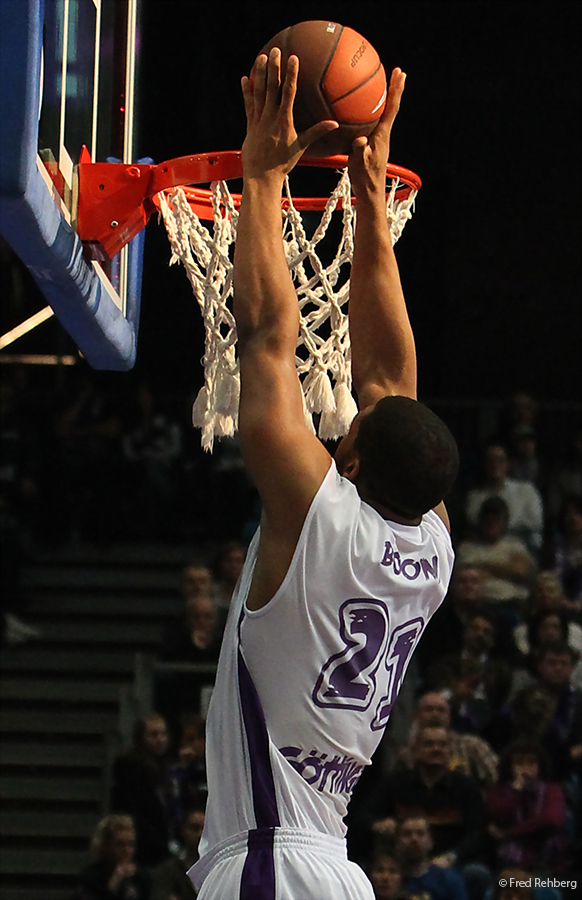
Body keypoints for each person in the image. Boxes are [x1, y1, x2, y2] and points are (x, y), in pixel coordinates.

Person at [187, 56, 459, 900]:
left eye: (352, 427)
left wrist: (263, 176)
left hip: (277, 863)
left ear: (348, 460)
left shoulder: (325, 516)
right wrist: (368, 200)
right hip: (321, 863)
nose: (351, 412)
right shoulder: (431, 546)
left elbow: (273, 337)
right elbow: (386, 387)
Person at [372, 725, 487, 870]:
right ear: (415, 749)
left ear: (450, 751)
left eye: (442, 744)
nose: (436, 749)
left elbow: (477, 833)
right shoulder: (396, 783)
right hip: (401, 863)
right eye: (429, 744)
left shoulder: (466, 787)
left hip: (452, 863)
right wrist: (379, 824)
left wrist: (452, 857)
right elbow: (364, 817)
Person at [486, 740, 568, 875]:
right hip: (508, 864)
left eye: (531, 762)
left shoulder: (552, 790)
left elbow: (551, 819)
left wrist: (510, 832)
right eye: (519, 763)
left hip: (548, 863)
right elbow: (499, 815)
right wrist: (515, 791)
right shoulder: (498, 791)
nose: (525, 768)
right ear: (509, 766)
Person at [456, 497, 536, 625]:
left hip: (510, 606)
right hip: (477, 608)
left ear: (505, 521)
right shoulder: (467, 548)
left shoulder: (516, 546)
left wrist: (483, 566)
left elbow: (521, 571)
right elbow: (462, 578)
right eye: (488, 518)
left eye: (497, 519)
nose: (492, 523)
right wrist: (506, 568)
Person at [393, 691, 499, 786]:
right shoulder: (407, 753)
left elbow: (496, 777)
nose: (435, 715)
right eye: (429, 709)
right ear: (416, 716)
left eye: (441, 710)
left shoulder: (472, 746)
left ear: (449, 717)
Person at [110, 713, 173, 867]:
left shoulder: (165, 767)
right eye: (153, 734)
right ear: (140, 738)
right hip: (143, 847)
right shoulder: (129, 767)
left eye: (163, 734)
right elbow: (135, 810)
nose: (160, 739)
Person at [465, 442, 544, 553]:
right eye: (490, 460)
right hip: (484, 549)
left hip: (520, 548)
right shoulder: (474, 497)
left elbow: (536, 522)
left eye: (499, 460)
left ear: (508, 463)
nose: (495, 465)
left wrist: (500, 525)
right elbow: (474, 522)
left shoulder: (526, 490)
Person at [73, 814, 152, 900]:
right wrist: (114, 886)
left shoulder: (141, 876)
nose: (126, 850)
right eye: (120, 844)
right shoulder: (91, 877)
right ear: (106, 846)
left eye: (130, 845)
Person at [394, 815, 468, 900]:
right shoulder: (387, 879)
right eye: (407, 834)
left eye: (420, 833)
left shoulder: (449, 880)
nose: (414, 839)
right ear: (397, 841)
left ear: (431, 841)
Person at [151, 808, 205, 900]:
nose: (200, 834)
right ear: (183, 831)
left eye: (204, 830)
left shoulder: (216, 870)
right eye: (195, 828)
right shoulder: (167, 871)